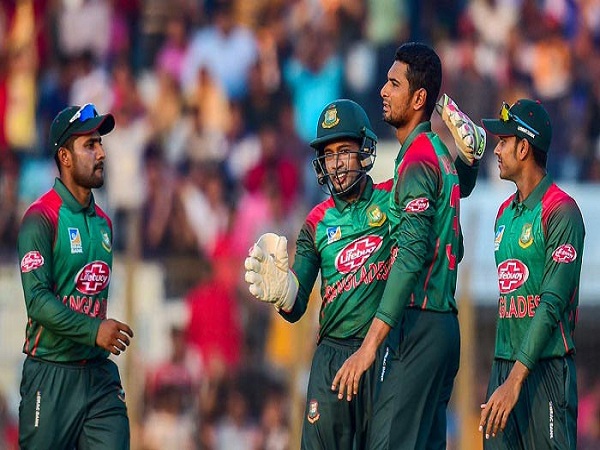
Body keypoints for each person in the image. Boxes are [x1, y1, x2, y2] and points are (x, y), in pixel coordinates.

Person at [244, 94, 483, 449]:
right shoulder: (315, 222)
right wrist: (283, 291)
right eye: (328, 154)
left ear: (364, 151)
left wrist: (468, 162)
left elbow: (448, 195)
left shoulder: (392, 198)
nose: (336, 163)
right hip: (331, 358)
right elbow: (296, 305)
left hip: (382, 353)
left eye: (344, 151)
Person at [331, 41, 484, 449]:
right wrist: (469, 164)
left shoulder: (417, 161)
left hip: (418, 324)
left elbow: (412, 254)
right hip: (443, 326)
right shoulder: (439, 156)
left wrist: (369, 346)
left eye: (394, 84)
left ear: (419, 99)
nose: (383, 90)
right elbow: (452, 241)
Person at [17, 103, 134, 449]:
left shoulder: (104, 224)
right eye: (90, 145)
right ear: (65, 157)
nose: (101, 153)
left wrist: (95, 336)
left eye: (100, 144)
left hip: (98, 377)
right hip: (50, 373)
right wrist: (95, 330)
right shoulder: (40, 218)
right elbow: (38, 301)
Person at [478, 99, 585, 449]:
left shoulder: (561, 211)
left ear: (524, 148)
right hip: (503, 367)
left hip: (546, 370)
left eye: (504, 141)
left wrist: (515, 381)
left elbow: (551, 304)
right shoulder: (503, 214)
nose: (497, 149)